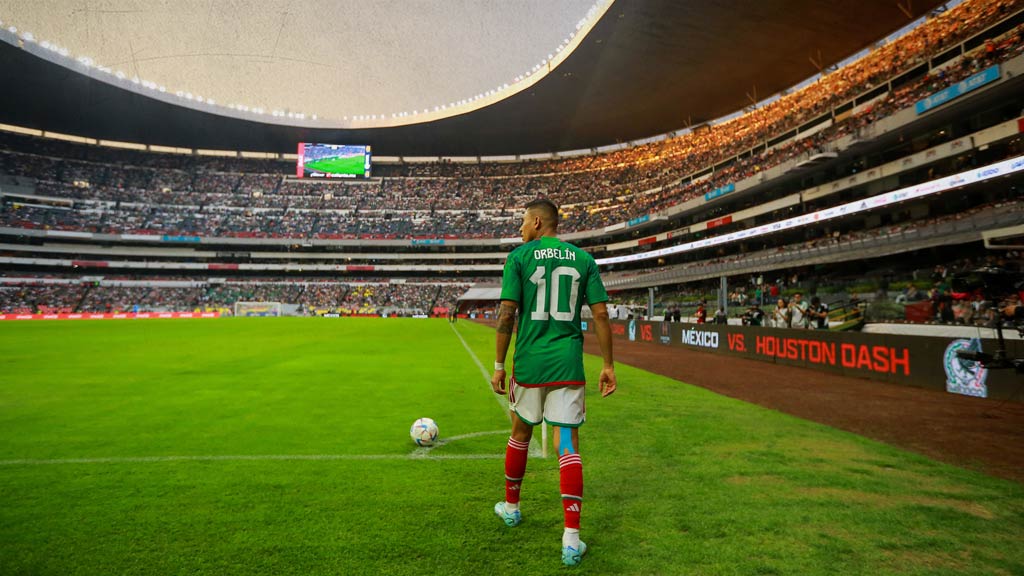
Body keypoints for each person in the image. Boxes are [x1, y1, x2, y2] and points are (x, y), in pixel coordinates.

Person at [490, 198, 617, 567]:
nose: (520, 229)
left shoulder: (519, 257)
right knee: (566, 444)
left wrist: (499, 364)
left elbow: (506, 314)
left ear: (537, 221)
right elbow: (601, 313)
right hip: (566, 364)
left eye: (523, 222)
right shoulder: (583, 260)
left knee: (520, 432)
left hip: (529, 365)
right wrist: (608, 364)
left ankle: (511, 508)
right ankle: (571, 540)